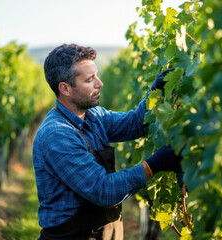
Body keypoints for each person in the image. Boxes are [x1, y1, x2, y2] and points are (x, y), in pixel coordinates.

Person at [32, 43, 181, 240]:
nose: (100, 83)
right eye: (90, 79)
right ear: (65, 88)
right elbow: (102, 190)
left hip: (105, 232)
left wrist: (156, 92)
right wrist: (155, 164)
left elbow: (135, 124)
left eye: (97, 75)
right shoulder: (57, 135)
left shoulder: (93, 116)